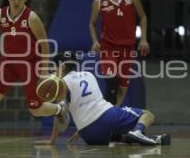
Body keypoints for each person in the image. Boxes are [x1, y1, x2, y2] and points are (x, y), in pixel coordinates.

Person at [0, 0, 69, 146]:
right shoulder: (0, 15)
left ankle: (59, 109)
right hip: (8, 64)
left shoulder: (31, 17)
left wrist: (44, 70)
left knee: (35, 109)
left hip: (30, 64)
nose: (16, 1)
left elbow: (44, 44)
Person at [39, 52, 170, 145]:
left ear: (62, 67)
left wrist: (53, 140)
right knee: (148, 115)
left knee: (114, 135)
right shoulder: (89, 74)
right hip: (105, 117)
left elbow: (59, 115)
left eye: (53, 68)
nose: (52, 71)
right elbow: (94, 102)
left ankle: (131, 138)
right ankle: (137, 132)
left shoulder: (60, 83)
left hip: (87, 134)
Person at [89, 0, 150, 106]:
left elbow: (143, 17)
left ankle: (113, 113)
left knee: (122, 87)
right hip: (108, 46)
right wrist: (94, 41)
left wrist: (144, 39)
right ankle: (107, 113)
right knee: (111, 83)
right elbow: (91, 23)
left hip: (128, 47)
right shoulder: (99, 0)